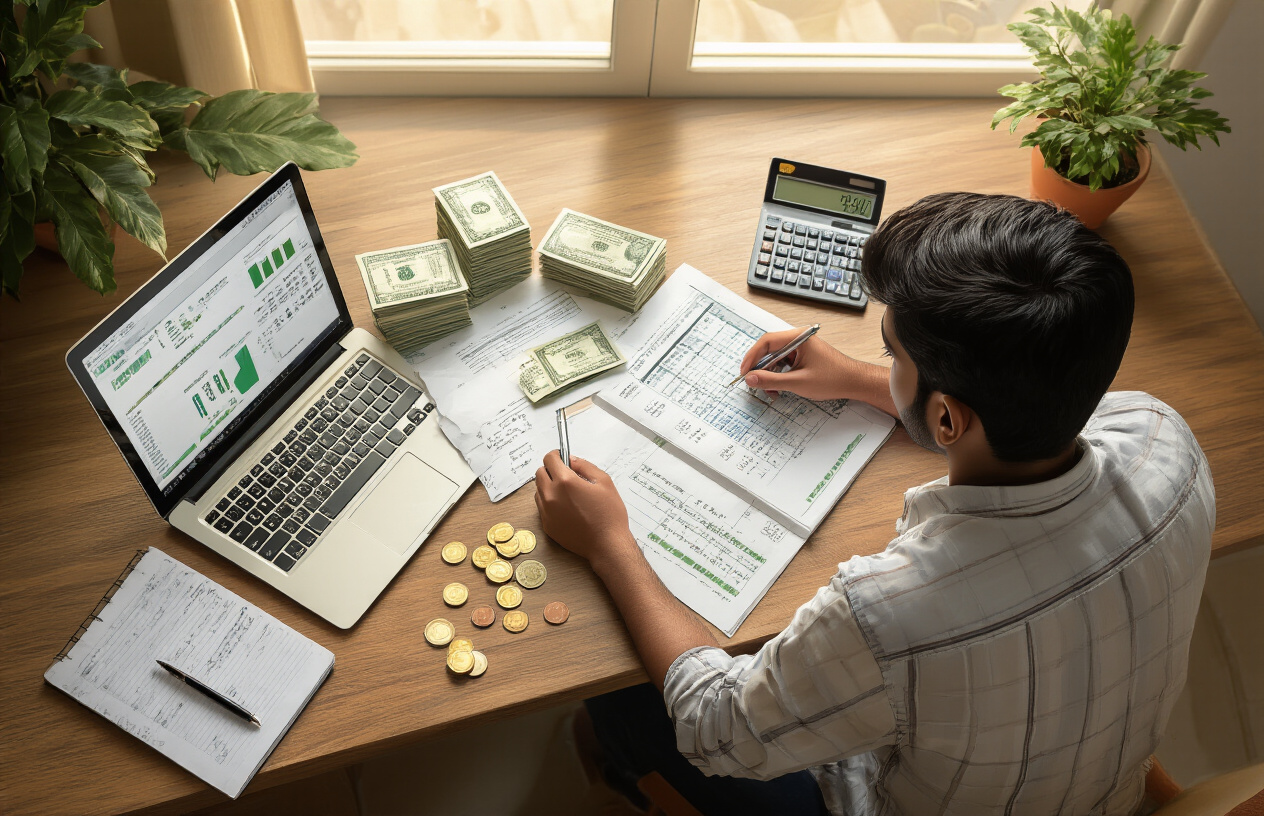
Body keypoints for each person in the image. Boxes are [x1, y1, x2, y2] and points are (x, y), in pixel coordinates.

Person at [534, 192, 1215, 816]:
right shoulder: (1165, 441)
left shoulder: (887, 612)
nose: (883, 362)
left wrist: (611, 545)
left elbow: (716, 728)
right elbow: (1034, 424)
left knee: (614, 682)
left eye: (891, 355)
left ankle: (618, 774)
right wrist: (862, 380)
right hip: (1099, 790)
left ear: (947, 419)